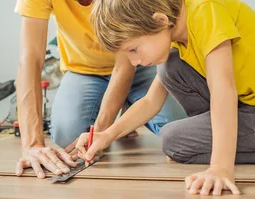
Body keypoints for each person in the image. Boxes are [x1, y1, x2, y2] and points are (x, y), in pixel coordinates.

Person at [75, 0, 255, 196]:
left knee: (173, 141)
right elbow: (151, 101)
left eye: (133, 50)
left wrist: (220, 168)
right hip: (249, 107)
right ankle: (228, 141)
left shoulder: (205, 11)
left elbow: (223, 88)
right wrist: (107, 134)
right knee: (170, 67)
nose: (134, 62)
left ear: (159, 20)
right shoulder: (175, 30)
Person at [12, 0, 187, 179]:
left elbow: (124, 67)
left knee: (176, 126)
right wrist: (33, 145)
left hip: (142, 59)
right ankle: (125, 108)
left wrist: (103, 132)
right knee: (69, 135)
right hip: (84, 70)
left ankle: (126, 105)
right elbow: (30, 60)